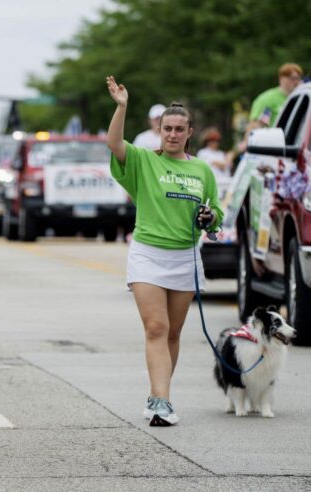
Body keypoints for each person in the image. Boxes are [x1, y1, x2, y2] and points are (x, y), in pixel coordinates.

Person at [105, 76, 223, 426]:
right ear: (159, 131)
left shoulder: (202, 169)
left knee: (173, 333)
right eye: (166, 128)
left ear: (189, 132)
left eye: (178, 129)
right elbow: (114, 143)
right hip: (148, 255)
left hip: (184, 257)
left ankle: (160, 393)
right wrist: (122, 106)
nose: (171, 134)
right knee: (156, 327)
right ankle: (161, 400)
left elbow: (215, 212)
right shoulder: (143, 160)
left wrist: (210, 217)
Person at [249, 63, 304, 129]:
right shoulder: (267, 99)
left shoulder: (302, 98)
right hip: (275, 138)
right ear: (281, 79)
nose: (296, 82)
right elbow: (256, 126)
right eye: (292, 78)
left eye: (298, 78)